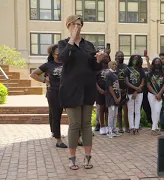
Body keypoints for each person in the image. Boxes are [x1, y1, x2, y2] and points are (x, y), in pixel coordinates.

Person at [58, 15, 105, 170]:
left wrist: (98, 60)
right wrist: (71, 39)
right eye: (74, 25)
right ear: (68, 26)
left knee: (86, 124)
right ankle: (72, 159)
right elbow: (63, 58)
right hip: (70, 90)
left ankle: (88, 158)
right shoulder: (63, 44)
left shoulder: (89, 45)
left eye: (80, 24)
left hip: (88, 89)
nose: (77, 27)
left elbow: (95, 68)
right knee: (75, 124)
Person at [30, 44, 67, 148]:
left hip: (67, 93)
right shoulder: (48, 65)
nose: (59, 53)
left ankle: (77, 138)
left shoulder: (67, 64)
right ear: (53, 54)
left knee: (73, 116)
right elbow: (33, 74)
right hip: (53, 93)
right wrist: (44, 80)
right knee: (56, 116)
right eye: (57, 52)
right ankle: (58, 140)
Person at [124, 55, 145, 135]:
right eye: (134, 58)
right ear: (131, 59)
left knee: (137, 110)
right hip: (130, 92)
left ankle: (136, 127)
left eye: (137, 59)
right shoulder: (127, 70)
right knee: (130, 110)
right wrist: (135, 89)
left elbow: (143, 82)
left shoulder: (141, 70)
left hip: (139, 93)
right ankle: (131, 127)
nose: (135, 60)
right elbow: (127, 82)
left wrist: (136, 91)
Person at [147, 57, 164, 135]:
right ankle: (154, 128)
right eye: (155, 61)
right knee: (153, 111)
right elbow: (148, 84)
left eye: (158, 61)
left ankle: (153, 128)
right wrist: (155, 94)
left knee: (158, 110)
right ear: (153, 63)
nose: (157, 63)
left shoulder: (163, 73)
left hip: (160, 95)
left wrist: (159, 94)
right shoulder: (149, 73)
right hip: (151, 94)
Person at [105, 61, 121, 137]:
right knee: (111, 114)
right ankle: (109, 130)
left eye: (115, 64)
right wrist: (114, 97)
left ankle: (114, 129)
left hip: (117, 96)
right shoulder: (108, 75)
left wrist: (119, 96)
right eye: (113, 64)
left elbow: (117, 86)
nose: (115, 65)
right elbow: (110, 87)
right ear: (109, 65)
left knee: (115, 115)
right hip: (111, 98)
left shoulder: (115, 74)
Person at [115, 51, 129, 133]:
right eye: (119, 56)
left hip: (125, 91)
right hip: (117, 91)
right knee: (119, 110)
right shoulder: (114, 66)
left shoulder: (126, 67)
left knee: (126, 110)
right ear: (116, 57)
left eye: (122, 56)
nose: (121, 58)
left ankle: (127, 127)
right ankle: (120, 127)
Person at [96, 54, 110, 135]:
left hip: (109, 91)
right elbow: (94, 80)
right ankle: (102, 126)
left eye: (107, 57)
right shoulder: (98, 67)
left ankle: (107, 126)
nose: (106, 58)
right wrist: (99, 89)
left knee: (107, 108)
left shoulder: (110, 67)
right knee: (101, 108)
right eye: (104, 57)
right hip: (100, 91)